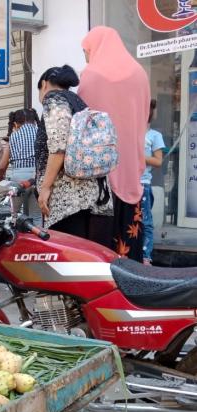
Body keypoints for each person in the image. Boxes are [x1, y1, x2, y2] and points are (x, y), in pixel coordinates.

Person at [78, 26, 151, 261]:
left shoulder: (91, 76)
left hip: (100, 177)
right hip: (130, 168)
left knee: (100, 250)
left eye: (86, 51)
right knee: (129, 240)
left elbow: (82, 125)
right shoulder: (139, 73)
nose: (87, 57)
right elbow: (143, 117)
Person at [35, 65, 110, 237]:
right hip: (93, 195)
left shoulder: (54, 100)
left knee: (66, 257)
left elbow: (59, 147)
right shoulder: (78, 103)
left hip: (68, 200)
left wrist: (45, 187)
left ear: (44, 84)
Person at [0, 109, 42, 224]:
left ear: (15, 124)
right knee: (36, 215)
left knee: (12, 214)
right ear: (34, 121)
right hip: (36, 177)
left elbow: (2, 166)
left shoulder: (13, 137)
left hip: (18, 178)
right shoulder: (41, 134)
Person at [142, 100, 164, 265]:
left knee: (146, 221)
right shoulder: (129, 132)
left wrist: (139, 157)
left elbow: (158, 161)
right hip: (126, 184)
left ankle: (145, 256)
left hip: (143, 184)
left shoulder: (155, 135)